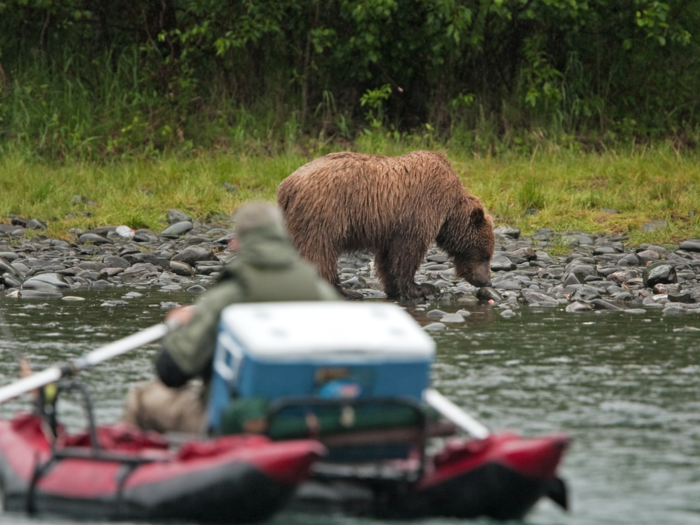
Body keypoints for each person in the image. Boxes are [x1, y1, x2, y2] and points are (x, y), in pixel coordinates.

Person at [123, 202, 340, 433]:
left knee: (141, 398)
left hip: (236, 424)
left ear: (237, 242)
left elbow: (172, 373)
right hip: (307, 420)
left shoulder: (228, 297)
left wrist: (180, 327)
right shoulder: (323, 293)